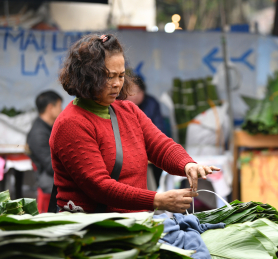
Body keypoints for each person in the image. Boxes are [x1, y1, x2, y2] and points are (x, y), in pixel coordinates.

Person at [50, 34, 219, 213]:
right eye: (109, 76)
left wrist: (187, 165)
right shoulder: (71, 124)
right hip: (94, 230)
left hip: (134, 224)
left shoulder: (128, 111)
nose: (117, 84)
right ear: (86, 77)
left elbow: (160, 146)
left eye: (121, 75)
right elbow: (100, 187)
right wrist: (157, 200)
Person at [27, 90, 63, 213]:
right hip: (48, 181)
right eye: (59, 106)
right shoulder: (38, 134)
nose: (61, 110)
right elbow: (50, 165)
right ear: (50, 108)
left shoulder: (48, 128)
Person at [127, 75, 165, 184]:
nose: (134, 95)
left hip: (150, 148)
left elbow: (159, 131)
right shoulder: (117, 106)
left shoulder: (151, 103)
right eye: (130, 91)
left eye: (138, 91)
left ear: (144, 92)